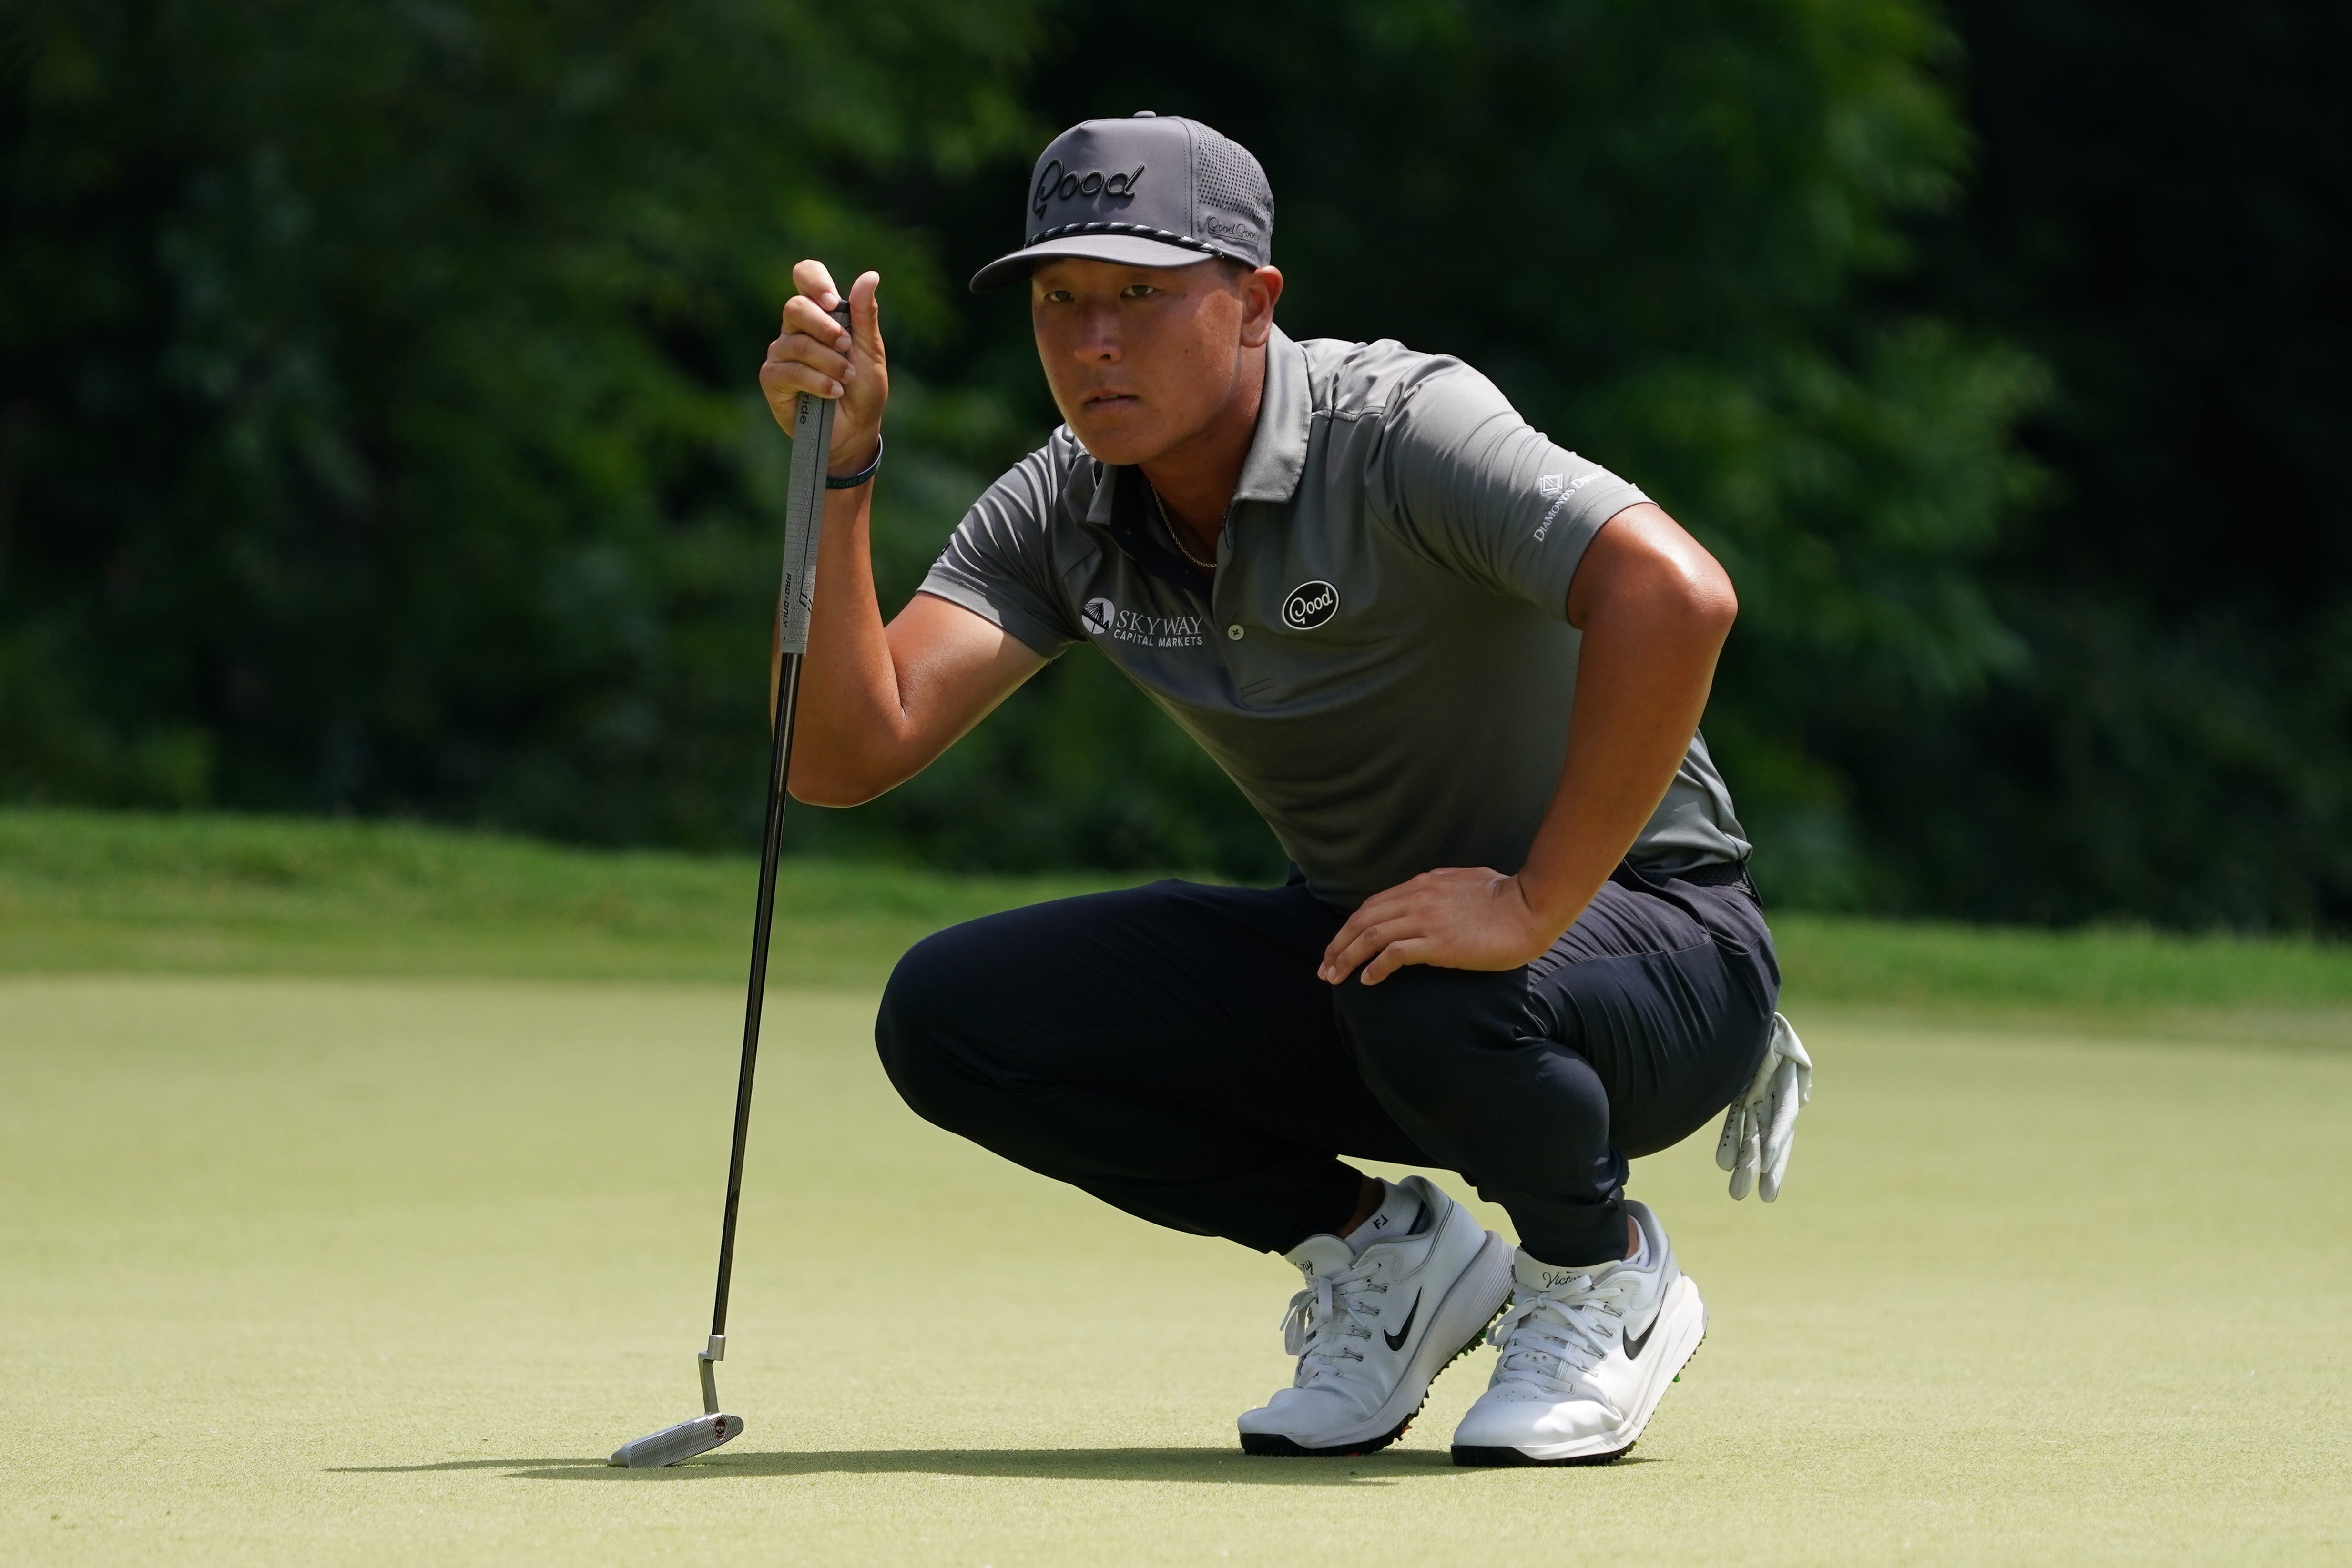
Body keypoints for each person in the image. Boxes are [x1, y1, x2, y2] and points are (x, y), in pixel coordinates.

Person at [758, 112, 1810, 1467]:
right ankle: (1393, 1253)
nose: (1093, 343)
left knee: (1426, 979)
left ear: (1254, 304)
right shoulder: (1063, 506)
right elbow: (847, 752)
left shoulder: (1401, 427)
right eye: (1062, 299)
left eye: (1141, 296)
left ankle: (1597, 1269)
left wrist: (1537, 899)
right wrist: (838, 470)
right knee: (955, 1018)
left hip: (1662, 949)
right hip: (1388, 970)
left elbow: (1676, 593)